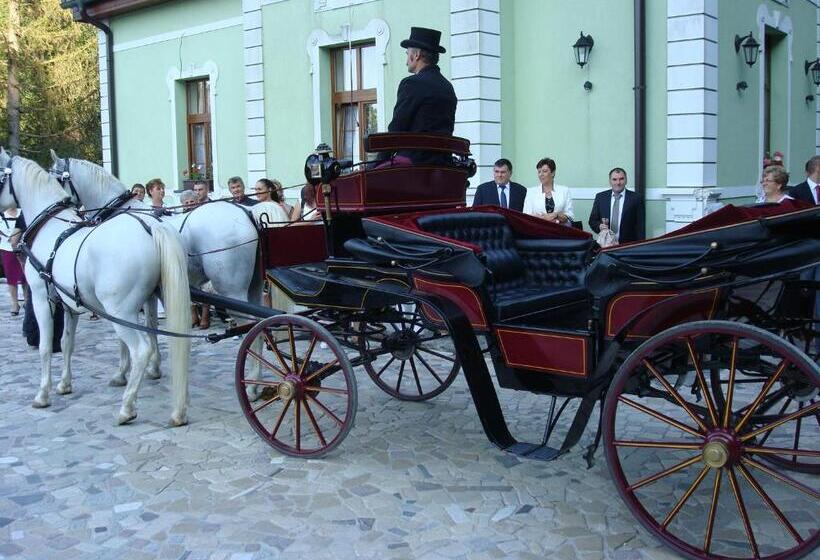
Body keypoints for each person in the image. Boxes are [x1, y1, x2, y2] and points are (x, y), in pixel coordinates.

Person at [385, 27, 457, 165]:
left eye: (407, 54)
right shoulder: (448, 87)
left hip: (414, 163)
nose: (406, 61)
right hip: (444, 164)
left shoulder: (411, 83)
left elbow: (397, 128)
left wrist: (375, 163)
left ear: (416, 55)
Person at [588, 167, 643, 244]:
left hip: (627, 245)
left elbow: (640, 227)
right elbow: (592, 221)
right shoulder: (601, 197)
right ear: (610, 181)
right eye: (614, 179)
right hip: (606, 244)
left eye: (621, 179)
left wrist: (638, 247)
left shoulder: (636, 198)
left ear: (626, 180)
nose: (618, 182)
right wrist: (599, 226)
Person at [523, 158, 574, 225]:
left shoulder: (564, 191)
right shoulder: (531, 192)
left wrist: (556, 215)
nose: (541, 174)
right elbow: (526, 216)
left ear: (553, 173)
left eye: (544, 171)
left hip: (560, 231)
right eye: (539, 172)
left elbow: (570, 216)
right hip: (538, 231)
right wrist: (546, 219)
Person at [1, 207, 25, 315]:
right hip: (7, 248)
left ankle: (28, 301)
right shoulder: (2, 214)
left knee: (26, 277)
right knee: (11, 278)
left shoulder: (22, 213)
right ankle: (15, 303)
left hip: (24, 248)